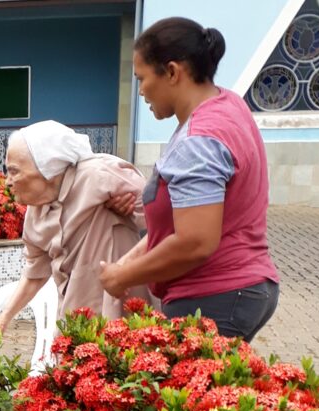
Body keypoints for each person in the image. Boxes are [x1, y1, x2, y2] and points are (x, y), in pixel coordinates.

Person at [99, 18, 279, 342]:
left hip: (214, 294)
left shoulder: (200, 138)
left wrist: (123, 275)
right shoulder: (228, 105)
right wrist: (129, 261)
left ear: (171, 72)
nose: (140, 91)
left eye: (142, 78)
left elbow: (195, 241)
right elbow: (179, 221)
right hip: (243, 287)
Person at [0, 121, 150, 336]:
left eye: (14, 172)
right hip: (75, 314)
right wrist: (2, 321)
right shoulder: (36, 212)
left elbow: (162, 214)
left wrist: (131, 209)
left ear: (47, 169)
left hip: (123, 308)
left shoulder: (97, 175)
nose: (8, 182)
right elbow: (35, 273)